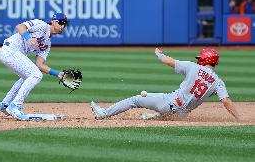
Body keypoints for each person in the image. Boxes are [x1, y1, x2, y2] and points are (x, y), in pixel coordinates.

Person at [90, 47, 240, 121]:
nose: (198, 59)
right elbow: (226, 101)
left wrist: (159, 54)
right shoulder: (218, 82)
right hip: (182, 115)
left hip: (169, 103)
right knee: (163, 115)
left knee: (135, 100)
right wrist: (239, 118)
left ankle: (104, 114)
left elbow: (169, 61)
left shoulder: (193, 67)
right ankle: (153, 116)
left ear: (205, 60)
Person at [0, 13, 69, 120]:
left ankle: (5, 104)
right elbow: (20, 26)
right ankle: (16, 105)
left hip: (14, 54)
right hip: (10, 50)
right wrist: (28, 37)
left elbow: (39, 64)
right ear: (53, 21)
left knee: (27, 77)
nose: (62, 26)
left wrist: (57, 73)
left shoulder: (47, 44)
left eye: (65, 24)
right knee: (36, 75)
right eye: (60, 22)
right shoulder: (42, 25)